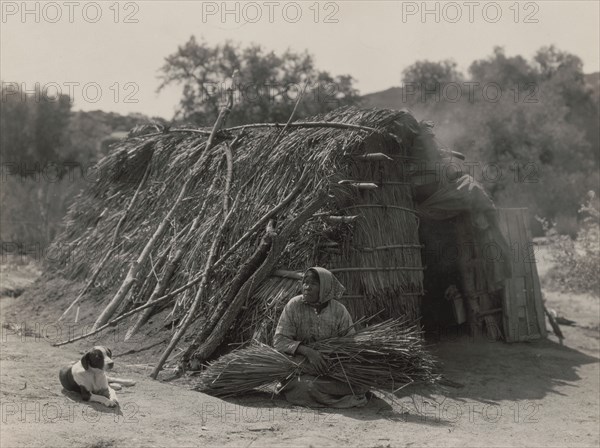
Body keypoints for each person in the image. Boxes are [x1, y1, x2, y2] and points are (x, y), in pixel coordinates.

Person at [273, 267, 368, 408]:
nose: (307, 288)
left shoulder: (338, 310)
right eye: (305, 282)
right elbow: (279, 340)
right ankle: (335, 399)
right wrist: (308, 352)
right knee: (304, 386)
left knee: (360, 384)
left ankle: (326, 394)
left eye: (313, 284)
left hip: (329, 369)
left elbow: (350, 343)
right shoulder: (294, 305)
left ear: (325, 288)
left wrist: (330, 357)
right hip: (300, 368)